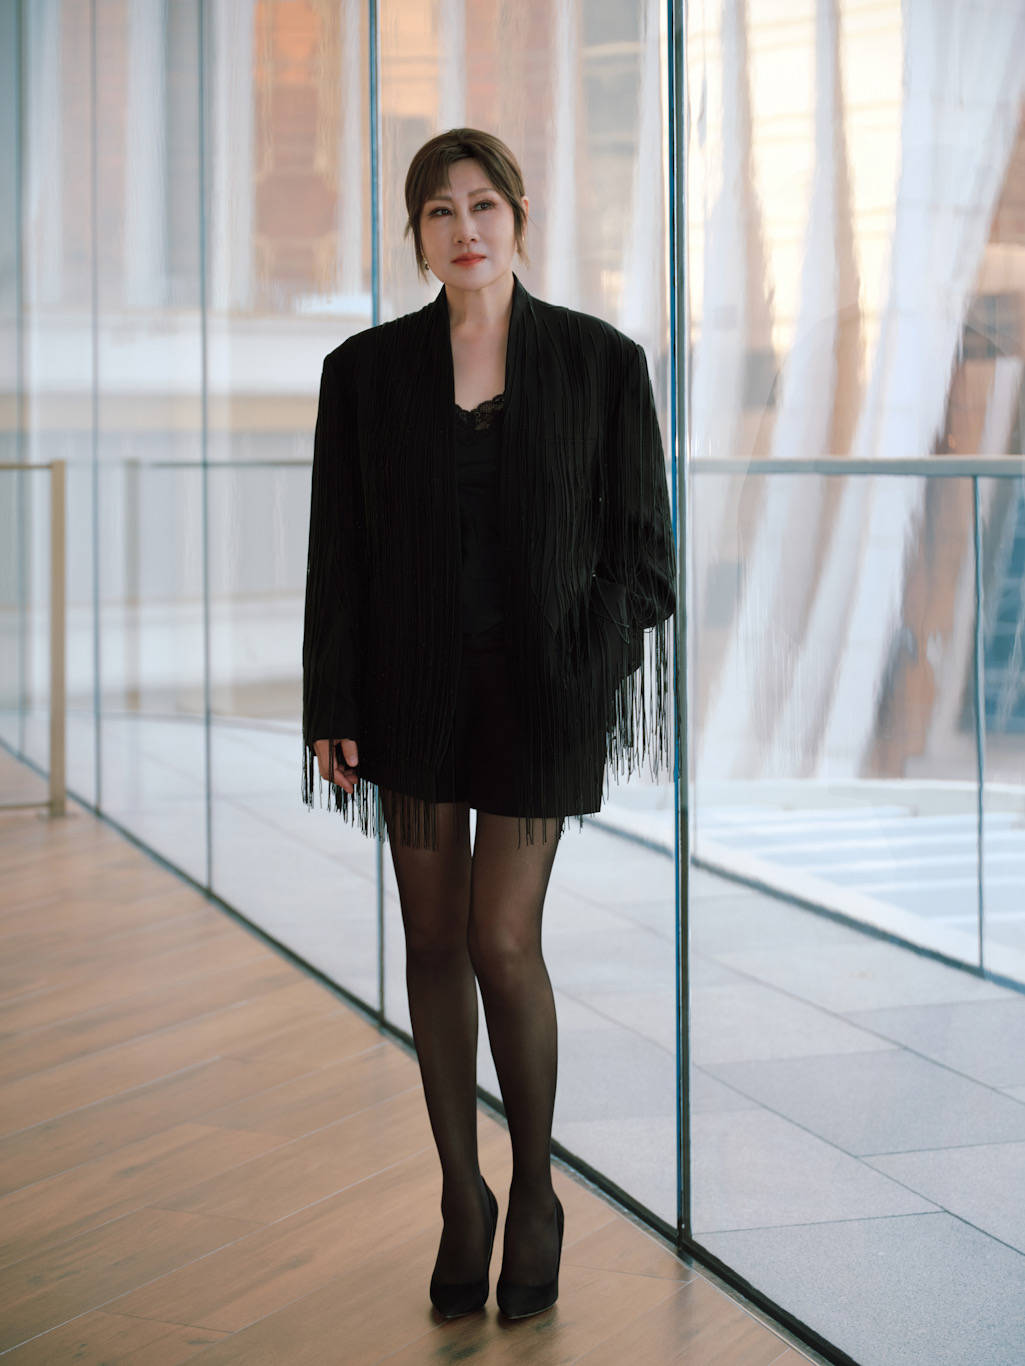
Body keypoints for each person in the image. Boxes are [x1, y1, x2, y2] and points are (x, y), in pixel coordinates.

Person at [301, 128, 675, 1321]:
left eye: (482, 205)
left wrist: (582, 663)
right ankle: (461, 1197)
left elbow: (644, 557)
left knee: (500, 940)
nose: (463, 229)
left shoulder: (600, 363)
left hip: (539, 695)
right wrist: (332, 702)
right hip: (410, 691)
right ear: (416, 236)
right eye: (437, 211)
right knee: (428, 941)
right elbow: (337, 556)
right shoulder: (362, 374)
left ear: (518, 216)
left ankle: (537, 1190)